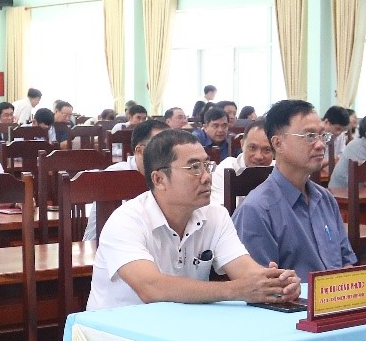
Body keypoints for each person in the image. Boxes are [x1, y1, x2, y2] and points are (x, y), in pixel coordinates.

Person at [86, 129, 299, 310]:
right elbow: (151, 288)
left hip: (179, 327)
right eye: (194, 168)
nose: (206, 177)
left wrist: (277, 284)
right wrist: (235, 290)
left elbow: (246, 271)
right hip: (115, 335)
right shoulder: (126, 221)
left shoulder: (215, 215)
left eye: (207, 166)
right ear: (159, 180)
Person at [234, 100, 355, 281]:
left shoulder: (326, 199)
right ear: (278, 143)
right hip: (294, 300)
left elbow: (347, 262)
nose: (320, 145)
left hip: (336, 297)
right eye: (310, 136)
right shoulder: (256, 210)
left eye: (322, 136)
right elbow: (260, 287)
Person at [85, 117, 165, 240]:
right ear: (140, 151)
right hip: (110, 243)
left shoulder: (170, 175)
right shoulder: (115, 176)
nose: (168, 155)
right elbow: (105, 232)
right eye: (162, 149)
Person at [210, 120, 274, 206]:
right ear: (242, 144)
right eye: (252, 147)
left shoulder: (280, 170)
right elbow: (221, 209)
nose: (258, 156)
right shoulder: (227, 169)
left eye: (267, 150)